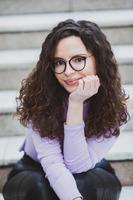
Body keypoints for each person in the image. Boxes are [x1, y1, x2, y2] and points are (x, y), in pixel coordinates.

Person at [2, 19, 130, 200]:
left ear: (99, 60)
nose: (67, 71)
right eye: (59, 62)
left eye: (78, 60)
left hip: (90, 167)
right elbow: (53, 163)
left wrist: (76, 104)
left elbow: (77, 166)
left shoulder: (118, 104)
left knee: (85, 184)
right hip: (33, 168)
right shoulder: (41, 97)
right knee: (42, 190)